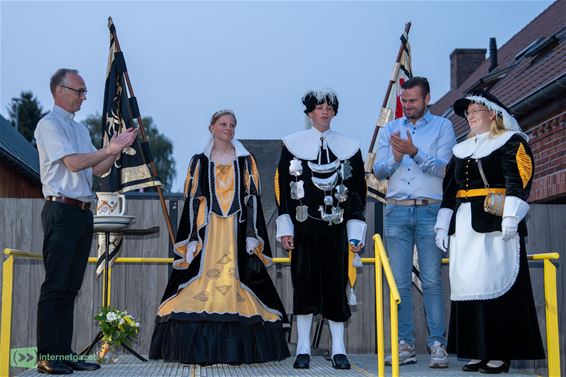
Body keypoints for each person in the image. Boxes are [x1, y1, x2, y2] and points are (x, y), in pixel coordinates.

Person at [149, 109, 290, 365]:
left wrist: (252, 234)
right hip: (208, 232)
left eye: (232, 125)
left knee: (241, 282)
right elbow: (192, 200)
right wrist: (191, 237)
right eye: (223, 124)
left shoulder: (246, 160)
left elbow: (252, 198)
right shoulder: (199, 161)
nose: (228, 128)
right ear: (211, 127)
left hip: (236, 231)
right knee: (198, 282)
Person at [34, 68, 138, 375]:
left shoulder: (78, 129)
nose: (83, 97)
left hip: (82, 212)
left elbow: (96, 169)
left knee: (70, 288)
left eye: (84, 92)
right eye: (79, 91)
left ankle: (63, 355)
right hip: (60, 210)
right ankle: (47, 356)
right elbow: (74, 162)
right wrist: (107, 148)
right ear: (60, 91)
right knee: (55, 286)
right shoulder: (48, 125)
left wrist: (117, 149)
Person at [434, 90, 545, 373]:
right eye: (467, 113)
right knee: (469, 286)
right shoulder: (460, 150)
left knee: (497, 283)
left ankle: (499, 353)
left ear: (493, 114)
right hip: (465, 227)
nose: (469, 116)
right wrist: (442, 226)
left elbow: (518, 179)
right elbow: (449, 192)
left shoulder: (511, 142)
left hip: (497, 225)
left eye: (475, 111)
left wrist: (511, 216)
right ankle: (476, 350)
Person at [275, 89, 367, 370]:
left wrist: (355, 232)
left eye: (329, 107)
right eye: (319, 107)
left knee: (335, 286)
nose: (324, 111)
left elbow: (357, 193)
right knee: (303, 287)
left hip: (337, 230)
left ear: (335, 112)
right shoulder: (291, 145)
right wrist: (286, 227)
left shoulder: (350, 147)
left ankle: (339, 349)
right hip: (303, 230)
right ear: (309, 112)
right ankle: (303, 348)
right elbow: (284, 193)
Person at [373, 77, 456, 368]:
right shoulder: (391, 128)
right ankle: (404, 344)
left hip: (430, 211)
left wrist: (414, 152)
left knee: (432, 280)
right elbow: (378, 171)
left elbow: (446, 169)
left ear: (427, 99)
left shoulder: (443, 127)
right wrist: (395, 157)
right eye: (404, 101)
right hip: (395, 211)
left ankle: (437, 346)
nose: (407, 106)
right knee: (398, 282)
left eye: (413, 101)